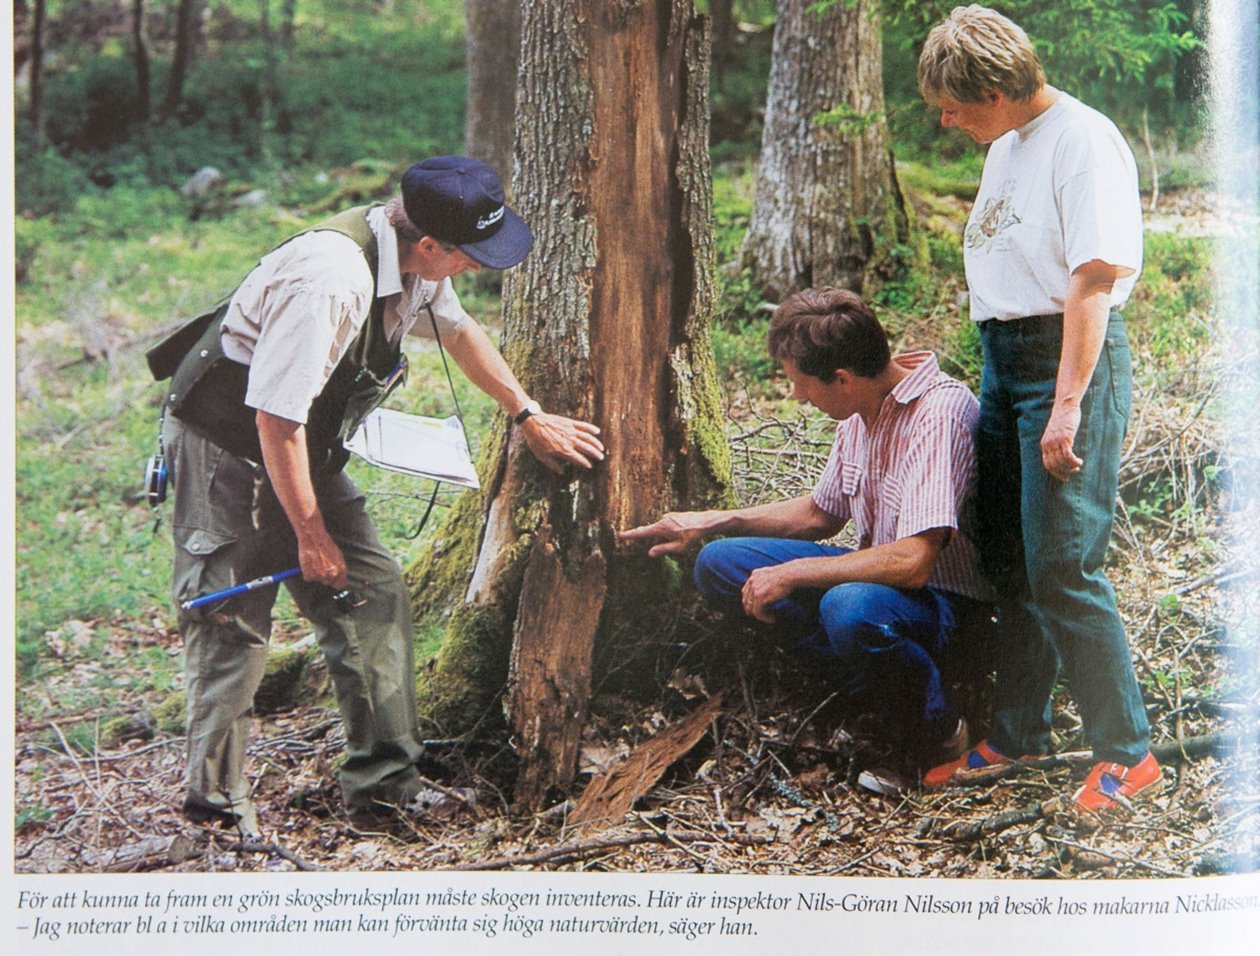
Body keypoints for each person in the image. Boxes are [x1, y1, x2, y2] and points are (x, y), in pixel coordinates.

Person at [148, 156, 605, 834]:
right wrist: (310, 535)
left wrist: (525, 413)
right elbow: (276, 419)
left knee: (371, 588)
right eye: (471, 256)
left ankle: (385, 790)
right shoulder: (330, 281)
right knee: (232, 622)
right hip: (228, 446)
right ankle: (216, 809)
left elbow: (455, 329)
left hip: (301, 445)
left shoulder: (416, 268)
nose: (477, 269)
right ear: (427, 243)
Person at [916, 6, 1161, 810]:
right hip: (1003, 360)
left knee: (1063, 561)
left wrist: (1065, 408)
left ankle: (1128, 751)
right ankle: (1020, 732)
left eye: (955, 104)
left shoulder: (1083, 141)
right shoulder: (1006, 146)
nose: (945, 119)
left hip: (1066, 362)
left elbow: (1091, 281)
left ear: (995, 86)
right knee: (1011, 560)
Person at [622, 287, 995, 771]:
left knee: (848, 607)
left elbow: (914, 562)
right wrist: (715, 521)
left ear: (841, 378)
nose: (797, 396)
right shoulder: (862, 407)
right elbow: (823, 514)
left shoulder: (937, 414)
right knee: (719, 563)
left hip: (947, 604)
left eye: (802, 384)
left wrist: (796, 572)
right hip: (882, 586)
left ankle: (937, 728)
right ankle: (865, 681)